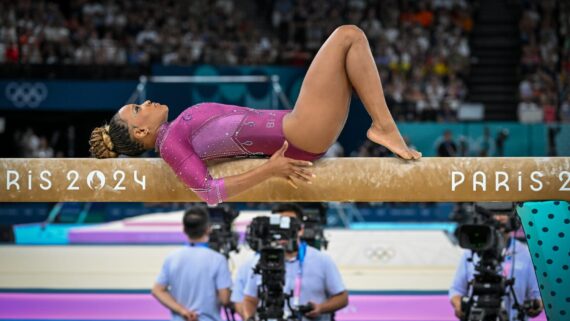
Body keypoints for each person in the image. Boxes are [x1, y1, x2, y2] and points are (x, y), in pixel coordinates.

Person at [88, 25, 422, 205]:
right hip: (299, 132)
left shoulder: (177, 130)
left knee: (349, 41)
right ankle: (383, 127)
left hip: (300, 126)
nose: (145, 104)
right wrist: (270, 169)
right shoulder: (171, 144)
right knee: (348, 36)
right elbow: (209, 193)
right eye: (137, 110)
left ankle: (383, 125)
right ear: (140, 134)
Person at [240, 203, 348, 321]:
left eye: (287, 225)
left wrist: (321, 308)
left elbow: (342, 298)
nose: (281, 232)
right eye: (278, 225)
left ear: (300, 229)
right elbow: (249, 299)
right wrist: (249, 318)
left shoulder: (322, 260)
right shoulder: (260, 260)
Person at [449, 205, 543, 321]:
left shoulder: (525, 253)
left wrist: (536, 305)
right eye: (494, 213)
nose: (499, 218)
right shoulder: (471, 252)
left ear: (513, 219)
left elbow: (537, 294)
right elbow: (456, 290)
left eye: (504, 213)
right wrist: (459, 306)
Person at [152, 206, 232, 321]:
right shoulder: (218, 259)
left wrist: (183, 311)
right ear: (208, 229)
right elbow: (225, 299)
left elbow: (157, 290)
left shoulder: (172, 258)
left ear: (184, 229)